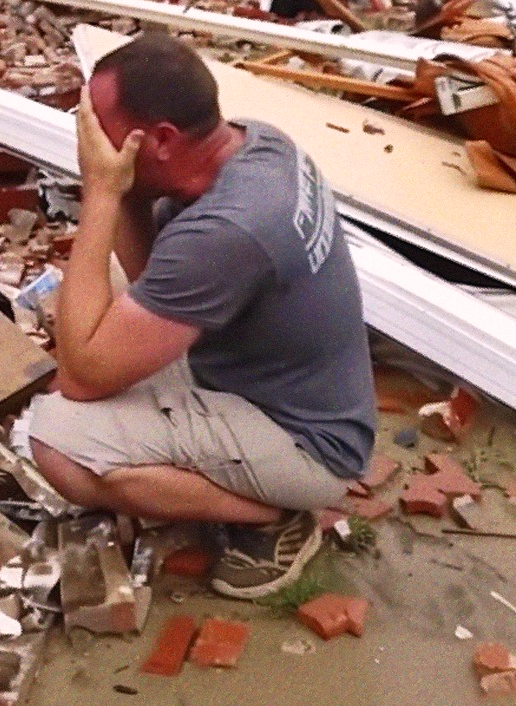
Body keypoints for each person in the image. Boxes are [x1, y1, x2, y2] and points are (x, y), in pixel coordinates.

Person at [22, 33, 375, 599]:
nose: (90, 142)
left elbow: (81, 379)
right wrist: (128, 193)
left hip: (308, 442)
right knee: (105, 282)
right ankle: (225, 481)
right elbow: (151, 279)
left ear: (161, 139)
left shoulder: (227, 229)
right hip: (288, 384)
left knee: (59, 442)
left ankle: (272, 517)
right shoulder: (256, 143)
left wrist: (101, 191)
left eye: (98, 128)